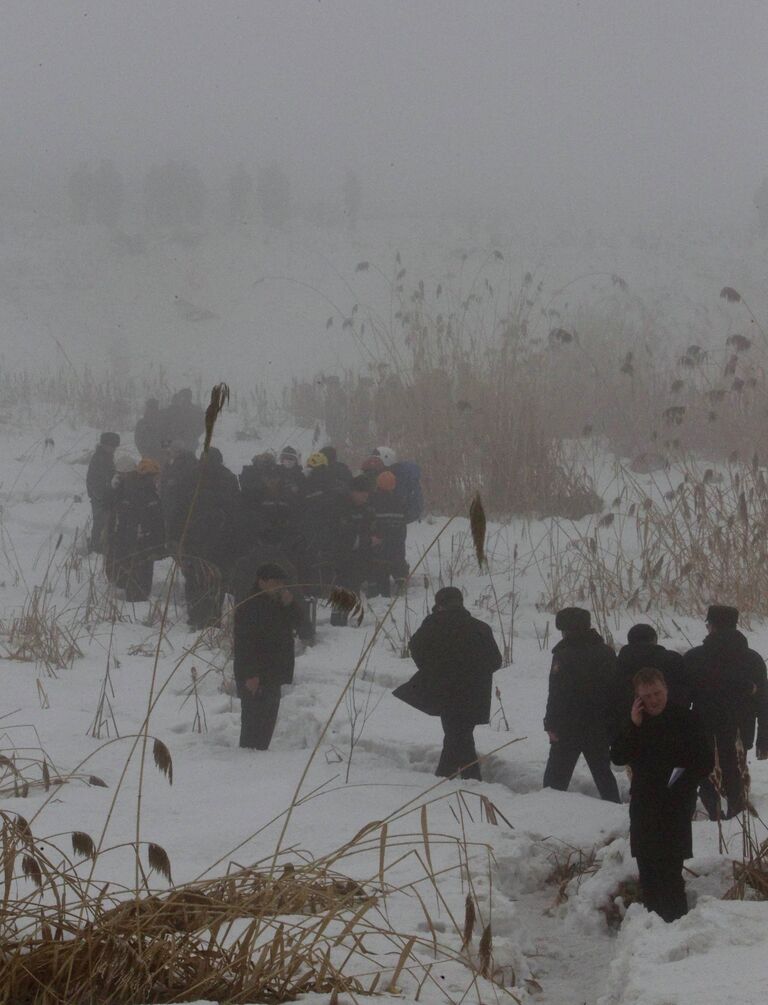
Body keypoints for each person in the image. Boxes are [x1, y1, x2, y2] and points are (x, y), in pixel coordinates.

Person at [611, 668, 713, 922]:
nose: (653, 700)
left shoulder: (686, 719)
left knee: (669, 870)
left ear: (666, 689)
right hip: (644, 804)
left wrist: (682, 784)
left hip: (675, 804)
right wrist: (633, 725)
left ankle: (676, 925)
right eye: (646, 696)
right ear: (637, 697)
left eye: (657, 693)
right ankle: (651, 926)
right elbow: (618, 756)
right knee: (647, 869)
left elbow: (705, 761)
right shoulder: (637, 721)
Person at [393, 587, 502, 780]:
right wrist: (475, 674)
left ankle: (455, 777)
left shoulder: (433, 624)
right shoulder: (480, 627)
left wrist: (432, 669)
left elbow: (416, 647)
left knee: (456, 734)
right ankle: (458, 776)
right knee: (460, 734)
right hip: (474, 695)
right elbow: (495, 661)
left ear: (440, 604)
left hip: (444, 691)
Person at [684, 605, 767, 819]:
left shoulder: (694, 658)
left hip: (704, 728)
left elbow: (683, 699)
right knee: (734, 772)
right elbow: (763, 702)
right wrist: (764, 738)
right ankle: (736, 816)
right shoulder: (753, 659)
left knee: (706, 772)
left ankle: (715, 814)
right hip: (740, 729)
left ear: (710, 626)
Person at [543, 607, 621, 802]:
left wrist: (550, 724)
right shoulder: (607, 653)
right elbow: (615, 691)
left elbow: (557, 694)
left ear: (567, 629)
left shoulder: (564, 655)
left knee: (554, 781)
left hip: (568, 727)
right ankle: (615, 811)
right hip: (598, 726)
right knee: (604, 776)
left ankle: (547, 813)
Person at [234, 562, 302, 749]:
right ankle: (246, 764)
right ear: (262, 582)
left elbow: (301, 624)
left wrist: (291, 605)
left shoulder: (280, 603)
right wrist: (250, 675)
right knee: (252, 726)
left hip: (274, 673)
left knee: (267, 725)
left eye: (282, 583)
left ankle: (259, 760)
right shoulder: (249, 606)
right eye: (275, 582)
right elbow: (244, 644)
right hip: (255, 676)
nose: (280, 586)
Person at [171, 448, 240, 629]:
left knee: (195, 580)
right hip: (220, 540)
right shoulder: (227, 478)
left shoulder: (190, 478)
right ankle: (211, 619)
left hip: (196, 540)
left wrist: (175, 538)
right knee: (216, 580)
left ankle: (197, 618)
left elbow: (177, 510)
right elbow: (235, 510)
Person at [105, 458, 165, 601]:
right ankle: (136, 607)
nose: (158, 480)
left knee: (130, 574)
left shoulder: (129, 489)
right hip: (142, 541)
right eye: (156, 476)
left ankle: (131, 599)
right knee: (141, 580)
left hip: (127, 539)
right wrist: (158, 543)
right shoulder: (146, 493)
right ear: (150, 475)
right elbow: (152, 520)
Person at [617, 624, 690, 716]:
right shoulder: (673, 659)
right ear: (655, 639)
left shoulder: (619, 663)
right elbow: (685, 692)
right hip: (672, 719)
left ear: (629, 641)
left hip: (631, 720)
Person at [331, 475, 374, 626]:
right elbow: (343, 535)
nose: (365, 496)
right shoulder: (342, 507)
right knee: (343, 584)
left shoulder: (365, 509)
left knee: (353, 585)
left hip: (359, 557)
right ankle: (338, 620)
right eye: (362, 493)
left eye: (366, 494)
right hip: (342, 556)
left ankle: (349, 617)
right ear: (353, 492)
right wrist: (367, 540)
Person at [369, 470, 408, 598]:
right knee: (398, 560)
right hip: (397, 540)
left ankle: (378, 591)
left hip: (379, 542)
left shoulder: (373, 500)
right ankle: (400, 582)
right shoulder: (400, 501)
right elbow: (403, 522)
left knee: (380, 566)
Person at [86, 432, 120, 553]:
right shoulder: (99, 459)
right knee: (100, 522)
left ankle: (100, 544)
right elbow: (94, 480)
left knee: (104, 521)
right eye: (112, 446)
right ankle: (95, 546)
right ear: (105, 445)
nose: (114, 449)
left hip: (103, 496)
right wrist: (102, 496)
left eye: (115, 447)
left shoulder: (106, 457)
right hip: (100, 497)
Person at [164, 389, 205, 454]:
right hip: (182, 442)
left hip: (187, 442)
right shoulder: (196, 410)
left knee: (181, 459)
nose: (181, 399)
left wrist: (192, 435)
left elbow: (202, 426)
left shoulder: (177, 410)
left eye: (182, 396)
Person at [134, 398, 165, 463]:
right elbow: (138, 440)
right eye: (151, 407)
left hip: (161, 456)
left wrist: (163, 452)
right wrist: (144, 453)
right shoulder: (141, 423)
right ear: (147, 408)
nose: (153, 410)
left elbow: (166, 437)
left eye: (154, 407)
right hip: (147, 456)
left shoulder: (162, 422)